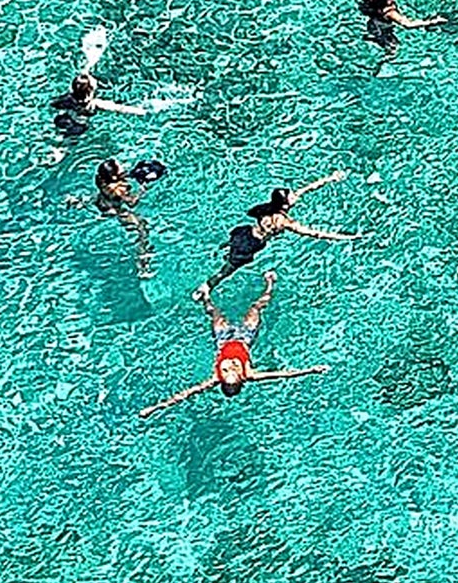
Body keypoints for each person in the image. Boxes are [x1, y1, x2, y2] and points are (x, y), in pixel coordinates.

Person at [139, 267, 328, 418]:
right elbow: (283, 374)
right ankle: (270, 284)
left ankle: (205, 297)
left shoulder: (215, 378)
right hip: (245, 338)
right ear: (241, 379)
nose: (230, 369)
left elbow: (185, 394)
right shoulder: (250, 374)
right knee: (255, 308)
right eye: (234, 373)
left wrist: (154, 408)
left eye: (227, 372)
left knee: (215, 314)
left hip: (222, 340)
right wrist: (311, 370)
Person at [223, 169, 356, 273]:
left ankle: (226, 249)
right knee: (228, 270)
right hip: (252, 243)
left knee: (229, 249)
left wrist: (330, 178)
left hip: (244, 231)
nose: (295, 195)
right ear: (285, 205)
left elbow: (308, 188)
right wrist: (346, 237)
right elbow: (316, 234)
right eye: (292, 196)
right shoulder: (283, 221)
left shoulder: (267, 208)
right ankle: (206, 287)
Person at [93, 157, 167, 276]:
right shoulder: (118, 188)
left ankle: (78, 201)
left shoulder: (104, 182)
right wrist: (143, 190)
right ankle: (143, 262)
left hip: (101, 202)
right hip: (116, 211)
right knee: (142, 227)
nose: (123, 166)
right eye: (120, 166)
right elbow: (131, 203)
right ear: (114, 177)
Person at [359, 0, 446, 50]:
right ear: (386, 2)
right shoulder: (390, 12)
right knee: (394, 47)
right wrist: (432, 22)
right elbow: (408, 24)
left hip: (372, 23)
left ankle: (373, 38)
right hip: (381, 28)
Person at [51, 71, 146, 137]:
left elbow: (53, 104)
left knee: (60, 134)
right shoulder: (95, 104)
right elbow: (119, 108)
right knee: (67, 142)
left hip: (64, 119)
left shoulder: (68, 98)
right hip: (78, 125)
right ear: (91, 91)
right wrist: (141, 111)